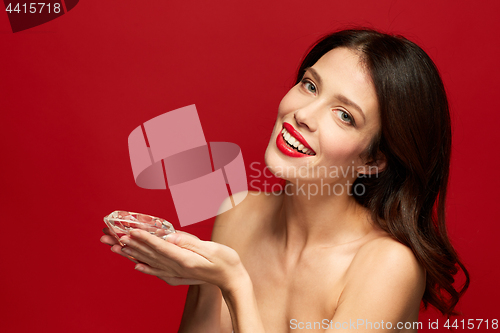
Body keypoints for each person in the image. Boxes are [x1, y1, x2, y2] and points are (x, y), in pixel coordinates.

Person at [101, 28, 469, 332]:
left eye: (343, 115)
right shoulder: (237, 211)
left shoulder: (388, 265)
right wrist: (204, 281)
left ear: (373, 160)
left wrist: (233, 283)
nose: (303, 114)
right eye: (310, 85)